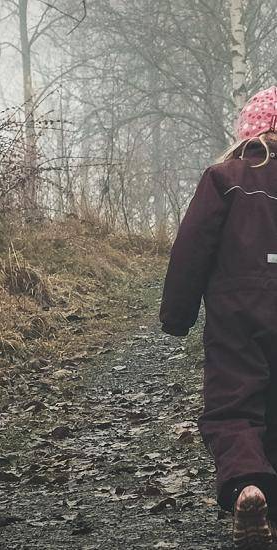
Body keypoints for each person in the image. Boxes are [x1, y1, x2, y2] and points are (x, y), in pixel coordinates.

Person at [160, 85, 277, 549]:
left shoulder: (224, 177)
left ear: (248, 131)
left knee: (235, 403)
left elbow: (192, 249)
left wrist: (177, 314)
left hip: (238, 309)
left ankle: (249, 486)